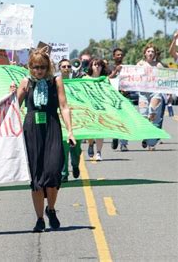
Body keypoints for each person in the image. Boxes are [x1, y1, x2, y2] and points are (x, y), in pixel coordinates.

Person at [10, 48, 75, 232]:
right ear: (30, 67)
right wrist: (12, 94)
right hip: (32, 130)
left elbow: (64, 106)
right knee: (36, 177)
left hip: (52, 127)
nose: (39, 70)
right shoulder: (26, 82)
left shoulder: (56, 81)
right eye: (36, 67)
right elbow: (13, 107)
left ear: (48, 67)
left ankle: (51, 209)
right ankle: (39, 219)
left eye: (43, 67)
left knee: (54, 173)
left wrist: (70, 131)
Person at [137, 43, 165, 150]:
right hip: (143, 92)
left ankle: (151, 142)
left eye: (152, 51)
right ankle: (146, 136)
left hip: (155, 92)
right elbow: (132, 76)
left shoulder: (158, 65)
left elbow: (167, 77)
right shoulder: (140, 64)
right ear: (145, 53)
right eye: (148, 51)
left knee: (152, 112)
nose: (150, 53)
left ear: (155, 54)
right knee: (144, 115)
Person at [57, 60, 81, 182]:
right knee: (64, 147)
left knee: (76, 148)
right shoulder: (56, 82)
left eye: (68, 66)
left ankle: (75, 165)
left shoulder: (78, 82)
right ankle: (64, 172)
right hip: (63, 119)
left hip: (78, 119)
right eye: (64, 66)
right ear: (59, 68)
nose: (66, 68)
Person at [84, 58, 108, 161]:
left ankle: (98, 152)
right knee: (90, 130)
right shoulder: (85, 78)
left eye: (99, 65)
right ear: (91, 67)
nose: (97, 66)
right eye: (95, 65)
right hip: (89, 108)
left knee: (100, 131)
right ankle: (90, 144)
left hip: (101, 108)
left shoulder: (105, 79)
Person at [108, 48, 129, 152]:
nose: (120, 56)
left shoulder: (128, 68)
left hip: (124, 96)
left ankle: (124, 143)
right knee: (115, 119)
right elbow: (107, 79)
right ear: (113, 56)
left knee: (124, 120)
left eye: (121, 55)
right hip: (113, 97)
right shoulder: (109, 67)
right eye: (117, 55)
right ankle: (115, 136)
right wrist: (116, 71)